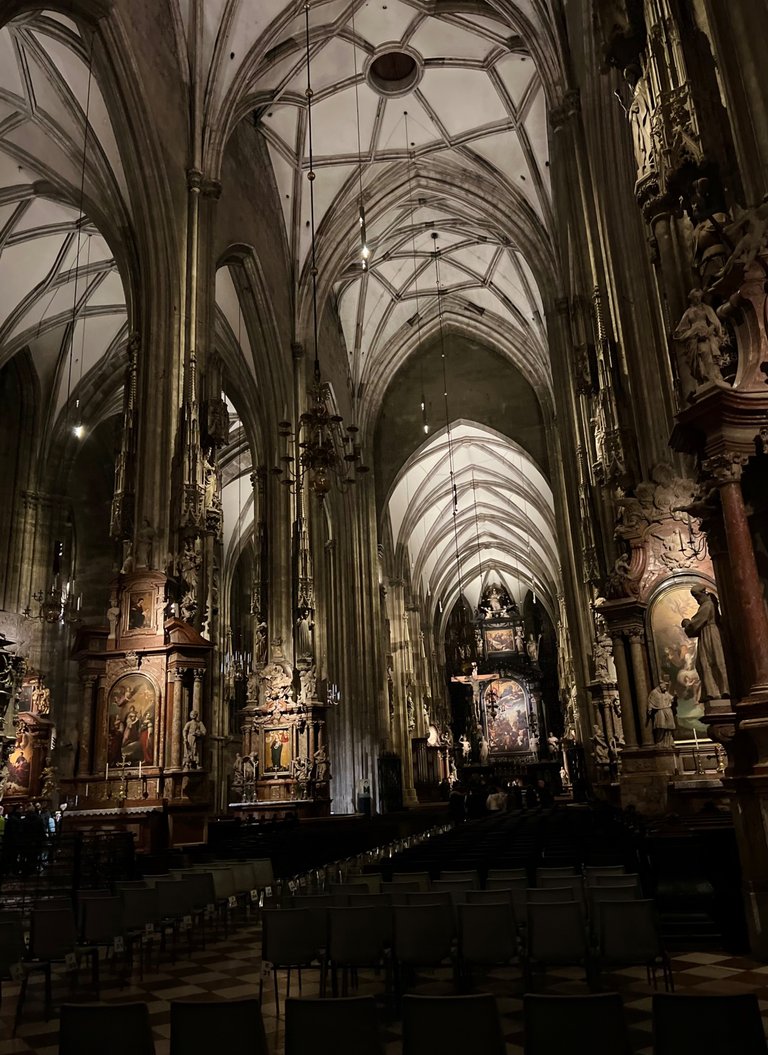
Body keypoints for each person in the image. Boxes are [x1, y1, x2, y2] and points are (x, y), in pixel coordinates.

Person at [682, 586, 730, 701]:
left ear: (703, 594)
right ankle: (716, 691)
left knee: (711, 662)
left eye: (697, 597)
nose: (697, 600)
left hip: (710, 633)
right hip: (709, 633)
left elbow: (696, 623)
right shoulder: (708, 605)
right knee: (708, 662)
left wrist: (687, 624)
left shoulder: (707, 605)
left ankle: (718, 691)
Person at [647, 676, 677, 748]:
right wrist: (650, 709)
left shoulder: (665, 693)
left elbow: (671, 699)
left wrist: (675, 696)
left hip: (668, 710)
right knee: (661, 726)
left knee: (669, 727)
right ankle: (660, 741)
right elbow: (650, 701)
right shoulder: (654, 692)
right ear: (661, 685)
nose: (666, 688)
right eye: (665, 686)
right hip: (660, 711)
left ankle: (669, 742)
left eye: (666, 686)